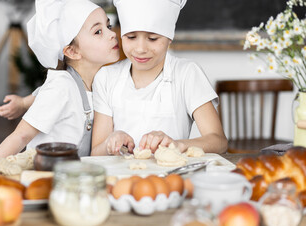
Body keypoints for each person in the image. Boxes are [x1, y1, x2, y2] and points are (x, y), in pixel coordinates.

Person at [91, 0, 227, 156]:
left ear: (169, 38)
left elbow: (219, 141)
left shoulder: (186, 73)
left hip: (171, 176)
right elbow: (95, 153)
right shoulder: (106, 77)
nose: (140, 49)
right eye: (131, 37)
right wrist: (110, 142)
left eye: (153, 39)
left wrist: (178, 145)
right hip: (120, 177)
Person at [0, 0, 120, 159]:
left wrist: (24, 103)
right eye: (98, 32)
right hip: (45, 172)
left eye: (108, 26)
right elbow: (21, 136)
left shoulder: (100, 81)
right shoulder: (62, 85)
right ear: (72, 52)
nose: (112, 33)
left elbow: (43, 96)